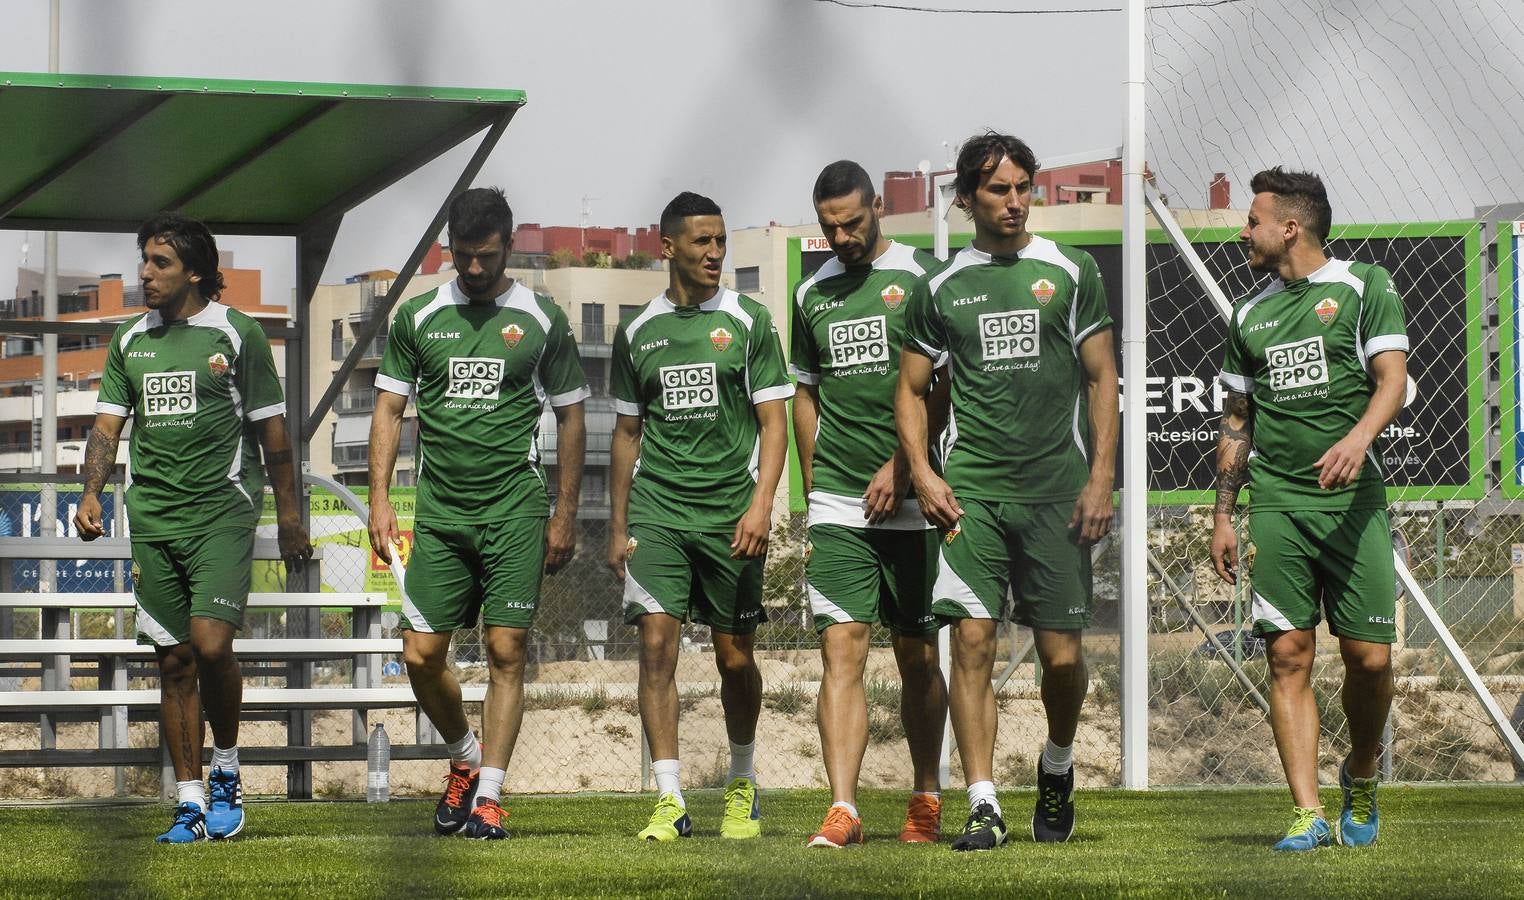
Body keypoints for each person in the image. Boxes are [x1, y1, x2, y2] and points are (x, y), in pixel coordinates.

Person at [896, 132, 1118, 851]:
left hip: (1059, 495)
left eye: (1026, 187)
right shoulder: (939, 287)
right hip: (974, 494)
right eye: (1000, 189)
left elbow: (1102, 378)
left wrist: (1100, 479)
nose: (1017, 202)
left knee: (1062, 662)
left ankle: (1056, 764)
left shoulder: (1072, 269)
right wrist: (924, 472)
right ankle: (983, 804)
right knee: (972, 642)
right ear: (966, 198)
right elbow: (910, 388)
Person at [75, 212, 312, 843]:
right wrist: (91, 492)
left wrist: (291, 515)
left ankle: (228, 769)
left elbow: (273, 433)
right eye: (144, 261)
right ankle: (188, 800)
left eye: (160, 263)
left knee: (211, 646)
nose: (145, 274)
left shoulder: (239, 335)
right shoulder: (129, 341)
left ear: (197, 271)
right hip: (153, 517)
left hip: (222, 513)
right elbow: (106, 428)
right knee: (174, 661)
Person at [368, 186, 588, 841]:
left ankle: (489, 796)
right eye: (462, 256)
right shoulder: (418, 317)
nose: (473, 269)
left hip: (515, 510)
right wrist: (381, 500)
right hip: (439, 515)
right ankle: (464, 758)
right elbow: (388, 409)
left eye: (485, 256)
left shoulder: (541, 319)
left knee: (506, 649)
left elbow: (573, 413)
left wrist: (566, 513)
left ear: (507, 246)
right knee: (419, 653)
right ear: (449, 249)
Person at [1210, 167, 1407, 851]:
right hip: (1280, 505)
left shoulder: (1364, 288)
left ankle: (1360, 772)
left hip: (1355, 504)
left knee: (1370, 660)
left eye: (1253, 220)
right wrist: (1224, 515)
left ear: (1290, 226)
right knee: (1288, 654)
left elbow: (1393, 379)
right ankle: (1307, 812)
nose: (1243, 232)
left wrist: (1358, 439)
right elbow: (1237, 420)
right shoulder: (1248, 314)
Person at [606, 191, 791, 842]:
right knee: (656, 647)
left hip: (730, 514)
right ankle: (670, 799)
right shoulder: (637, 332)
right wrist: (618, 523)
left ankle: (742, 782)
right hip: (659, 510)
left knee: (734, 658)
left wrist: (762, 502)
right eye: (702, 242)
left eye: (721, 241)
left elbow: (775, 423)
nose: (716, 253)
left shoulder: (748, 321)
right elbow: (626, 432)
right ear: (669, 248)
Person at [791, 160, 949, 848]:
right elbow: (804, 389)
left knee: (916, 656)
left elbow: (940, 385)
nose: (842, 236)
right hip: (837, 504)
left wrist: (903, 470)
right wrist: (812, 479)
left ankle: (925, 797)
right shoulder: (810, 294)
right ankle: (845, 808)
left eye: (852, 222)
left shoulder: (923, 278)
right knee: (842, 651)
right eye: (830, 226)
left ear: (878, 207)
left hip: (913, 499)